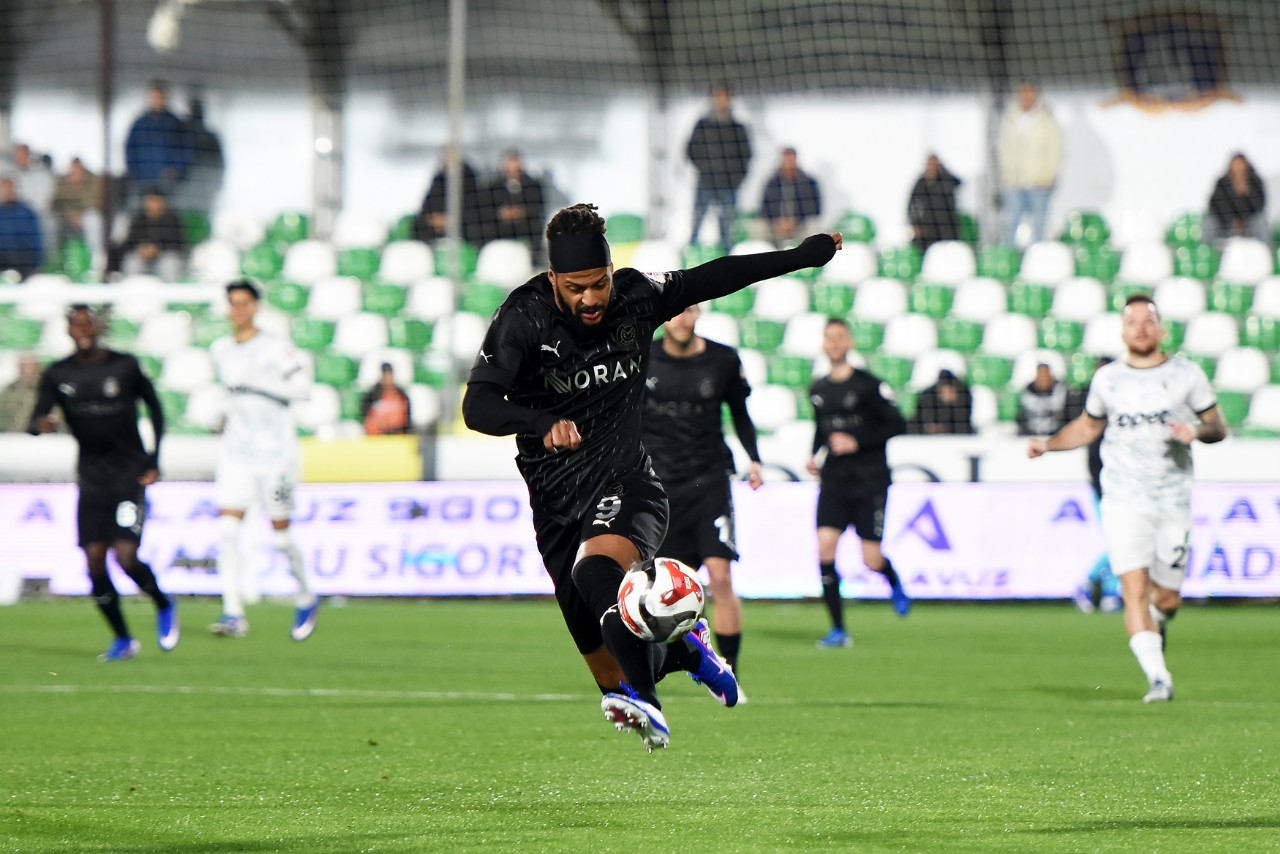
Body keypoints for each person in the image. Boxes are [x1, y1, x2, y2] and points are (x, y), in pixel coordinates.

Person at [462, 202, 840, 750]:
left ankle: (651, 703)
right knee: (610, 665)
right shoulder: (523, 317)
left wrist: (801, 257)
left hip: (627, 483)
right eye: (575, 287)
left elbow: (716, 276)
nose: (590, 298)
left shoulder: (638, 296)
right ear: (553, 279)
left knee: (599, 579)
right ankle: (689, 652)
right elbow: (478, 406)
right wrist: (539, 422)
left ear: (612, 273)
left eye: (598, 284)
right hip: (555, 506)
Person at [1027, 295, 1226, 702]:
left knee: (1167, 599)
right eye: (1132, 321)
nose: (1140, 327)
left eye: (1148, 320)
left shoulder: (1186, 374)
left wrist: (1197, 432)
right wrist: (1049, 444)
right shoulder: (1108, 380)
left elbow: (1217, 426)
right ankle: (1159, 678)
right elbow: (1087, 426)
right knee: (1132, 586)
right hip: (1122, 499)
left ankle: (1157, 621)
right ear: (1122, 331)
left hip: (1171, 499)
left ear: (1161, 329)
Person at [27, 305, 178, 661]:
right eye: (74, 324)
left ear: (98, 327)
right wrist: (40, 426)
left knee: (125, 556)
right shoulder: (58, 373)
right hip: (92, 479)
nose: (81, 329)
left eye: (86, 323)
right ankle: (123, 639)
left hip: (129, 474)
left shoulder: (123, 366)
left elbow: (155, 409)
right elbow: (36, 418)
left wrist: (154, 459)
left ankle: (161, 602)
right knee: (94, 561)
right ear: (67, 330)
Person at [641, 303, 764, 687]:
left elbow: (740, 412)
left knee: (722, 576)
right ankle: (657, 667)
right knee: (661, 584)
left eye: (688, 310)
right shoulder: (641, 356)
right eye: (673, 311)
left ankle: (732, 675)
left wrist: (754, 459)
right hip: (658, 484)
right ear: (664, 317)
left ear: (699, 313)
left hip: (709, 479)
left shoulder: (723, 360)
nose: (680, 317)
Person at [208, 278, 319, 641]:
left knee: (282, 539)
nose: (237, 310)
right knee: (226, 532)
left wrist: (257, 382)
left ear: (255, 307)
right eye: (232, 304)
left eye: (243, 303)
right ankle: (233, 612)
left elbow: (302, 390)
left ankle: (305, 595)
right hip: (237, 455)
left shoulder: (276, 348)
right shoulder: (221, 349)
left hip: (276, 457)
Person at [807, 318, 911, 648]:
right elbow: (822, 430)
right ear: (824, 344)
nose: (834, 343)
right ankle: (838, 628)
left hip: (869, 482)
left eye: (840, 337)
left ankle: (891, 578)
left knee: (871, 559)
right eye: (829, 338)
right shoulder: (818, 389)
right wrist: (814, 454)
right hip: (835, 481)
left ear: (849, 342)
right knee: (825, 548)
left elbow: (897, 424)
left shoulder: (869, 385)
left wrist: (857, 441)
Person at [1075, 356, 1122, 614]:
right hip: (1106, 488)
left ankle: (1109, 592)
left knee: (1124, 543)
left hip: (1123, 487)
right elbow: (1094, 457)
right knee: (1119, 543)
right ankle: (1090, 582)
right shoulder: (1097, 414)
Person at [686, 84, 752, 254]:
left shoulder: (738, 128)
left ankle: (727, 260)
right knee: (696, 223)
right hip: (706, 182)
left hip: (729, 185)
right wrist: (706, 169)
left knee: (727, 228)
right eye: (718, 96)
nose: (721, 100)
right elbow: (690, 150)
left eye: (725, 97)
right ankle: (689, 256)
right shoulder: (702, 125)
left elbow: (746, 156)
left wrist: (735, 177)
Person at [998, 82, 1062, 247]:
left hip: (1038, 182)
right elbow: (1003, 147)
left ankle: (1037, 259)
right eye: (1023, 94)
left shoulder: (1047, 121)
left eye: (1030, 94)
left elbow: (1055, 150)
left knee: (1039, 224)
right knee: (1010, 223)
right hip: (1014, 181)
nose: (1026, 98)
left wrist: (1048, 175)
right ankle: (1008, 259)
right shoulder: (1010, 118)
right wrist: (1006, 172)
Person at [124, 80, 191, 206]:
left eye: (161, 97)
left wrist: (175, 168)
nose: (158, 100)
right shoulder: (140, 123)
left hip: (166, 179)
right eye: (155, 97)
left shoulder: (175, 123)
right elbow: (129, 148)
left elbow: (185, 149)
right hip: (143, 178)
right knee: (141, 211)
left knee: (167, 211)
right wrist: (133, 170)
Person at [413, 148, 485, 246]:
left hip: (463, 222)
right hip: (437, 225)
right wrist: (433, 219)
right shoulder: (438, 179)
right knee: (418, 226)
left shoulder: (469, 178)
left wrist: (451, 219)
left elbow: (473, 204)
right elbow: (427, 205)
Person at [482, 150, 546, 254]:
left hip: (526, 228)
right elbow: (486, 209)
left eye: (516, 162)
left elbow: (538, 206)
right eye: (510, 162)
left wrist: (521, 212)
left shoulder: (533, 185)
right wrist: (502, 213)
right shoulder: (493, 186)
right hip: (500, 229)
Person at [120, 188, 188, 281]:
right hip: (143, 258)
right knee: (132, 262)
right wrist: (141, 249)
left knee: (169, 264)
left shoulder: (173, 219)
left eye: (156, 201)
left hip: (164, 257)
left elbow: (179, 244)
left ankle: (168, 292)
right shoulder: (138, 219)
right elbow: (129, 243)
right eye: (151, 201)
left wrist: (158, 249)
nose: (154, 205)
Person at [759, 147, 822, 247]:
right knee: (759, 227)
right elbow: (764, 208)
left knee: (813, 227)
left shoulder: (808, 183)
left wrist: (795, 221)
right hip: (776, 226)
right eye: (786, 160)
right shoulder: (772, 183)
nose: (788, 163)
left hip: (800, 226)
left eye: (791, 160)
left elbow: (815, 209)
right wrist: (778, 221)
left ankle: (811, 258)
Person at [1203, 153, 1268, 247]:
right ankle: (1205, 252)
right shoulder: (1222, 183)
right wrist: (1231, 220)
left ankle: (1267, 252)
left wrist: (1246, 193)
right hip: (1226, 224)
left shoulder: (1255, 182)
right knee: (1209, 223)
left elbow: (1259, 206)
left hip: (1248, 225)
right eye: (1236, 165)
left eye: (1241, 165)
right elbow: (1215, 205)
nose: (1238, 168)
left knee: (1261, 222)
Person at [907, 154, 962, 252]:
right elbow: (911, 205)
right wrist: (915, 224)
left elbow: (958, 183)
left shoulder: (945, 180)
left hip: (946, 227)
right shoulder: (921, 183)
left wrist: (944, 171)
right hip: (928, 228)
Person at [51, 157, 105, 255]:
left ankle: (96, 258)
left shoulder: (93, 180)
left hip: (85, 217)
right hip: (65, 218)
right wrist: (70, 214)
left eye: (78, 171)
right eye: (73, 171)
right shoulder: (62, 181)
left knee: (93, 219)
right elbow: (56, 203)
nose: (76, 174)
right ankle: (54, 259)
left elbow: (95, 202)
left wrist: (80, 215)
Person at [0, 177, 44, 278]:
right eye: (4, 189)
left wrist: (36, 266)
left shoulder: (27, 212)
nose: (7, 192)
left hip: (24, 264)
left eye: (9, 189)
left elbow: (37, 241)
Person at [908, 368, 974, 435]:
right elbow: (921, 415)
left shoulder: (964, 395)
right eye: (945, 392)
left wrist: (945, 427)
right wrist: (931, 426)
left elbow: (964, 418)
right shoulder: (928, 395)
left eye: (951, 392)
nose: (948, 395)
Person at [1018, 362, 1070, 436]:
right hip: (1031, 436)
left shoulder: (1061, 392)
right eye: (1041, 375)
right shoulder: (1027, 393)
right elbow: (1021, 420)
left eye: (1046, 374)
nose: (1044, 378)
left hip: (1056, 436)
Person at [361, 362, 412, 435]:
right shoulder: (371, 397)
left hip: (397, 436)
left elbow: (406, 422)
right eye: (385, 375)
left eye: (389, 375)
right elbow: (366, 419)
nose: (387, 379)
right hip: (377, 437)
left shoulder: (402, 396)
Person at [0, 353, 42, 432]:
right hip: (13, 435)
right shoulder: (11, 389)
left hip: (41, 437)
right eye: (24, 366)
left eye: (30, 366)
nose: (26, 369)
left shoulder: (45, 388)